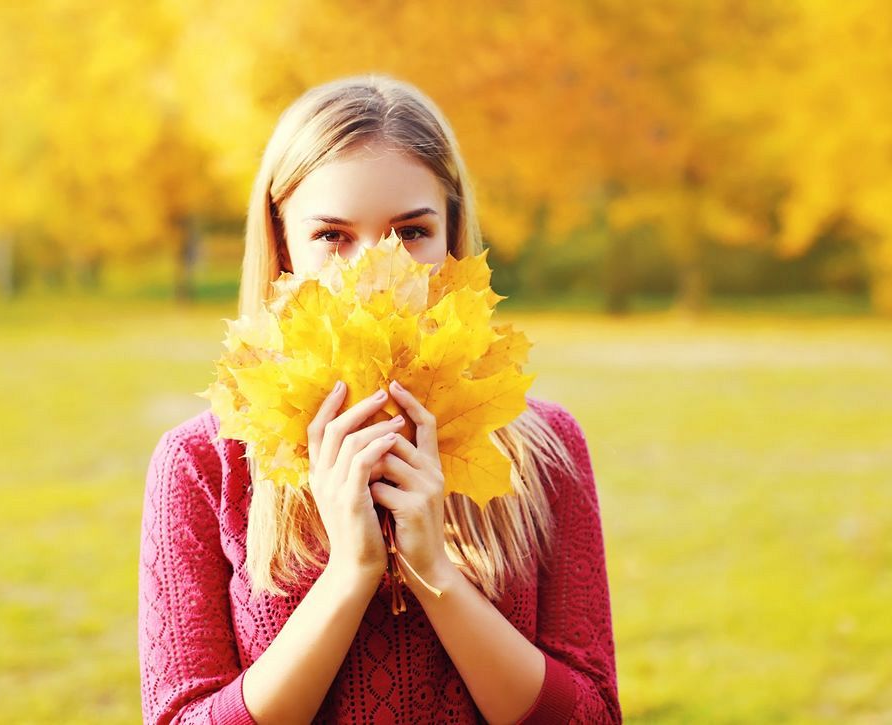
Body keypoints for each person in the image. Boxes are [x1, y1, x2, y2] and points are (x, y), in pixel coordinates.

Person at [138, 74, 621, 724]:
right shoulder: (202, 463)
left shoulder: (544, 448)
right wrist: (351, 571)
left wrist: (435, 573)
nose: (376, 271)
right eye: (334, 237)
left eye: (411, 232)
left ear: (451, 236)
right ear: (283, 247)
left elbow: (592, 714)